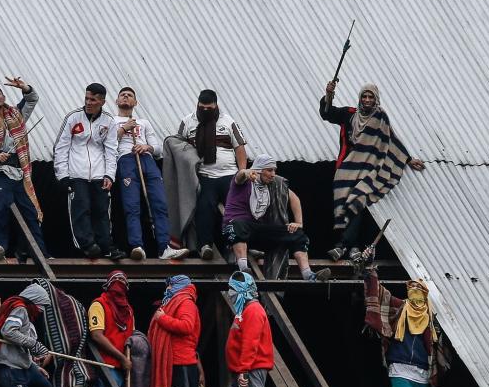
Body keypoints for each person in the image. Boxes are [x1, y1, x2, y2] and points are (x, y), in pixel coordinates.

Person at [321, 82, 424, 261]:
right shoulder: (349, 114)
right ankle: (354, 247)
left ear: (376, 99)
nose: (367, 100)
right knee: (345, 202)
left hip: (368, 168)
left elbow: (391, 139)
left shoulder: (380, 117)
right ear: (360, 98)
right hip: (346, 168)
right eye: (364, 96)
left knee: (358, 199)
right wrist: (328, 95)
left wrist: (407, 159)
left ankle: (343, 245)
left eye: (371, 97)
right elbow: (327, 114)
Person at [0, 77, 48, 261]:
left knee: (30, 212)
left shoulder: (16, 114)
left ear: (4, 96)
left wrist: (25, 87)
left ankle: (39, 252)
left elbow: (32, 99)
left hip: (20, 172)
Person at [363, 256, 445, 387]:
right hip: (399, 369)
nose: (415, 301)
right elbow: (380, 295)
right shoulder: (400, 309)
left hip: (423, 373)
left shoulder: (431, 319)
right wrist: (371, 273)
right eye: (412, 295)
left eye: (419, 296)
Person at [222, 154, 331, 281]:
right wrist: (247, 173)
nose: (273, 174)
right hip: (235, 230)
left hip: (257, 232)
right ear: (259, 170)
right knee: (238, 225)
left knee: (297, 234)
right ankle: (244, 270)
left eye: (274, 170)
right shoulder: (243, 182)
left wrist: (298, 223)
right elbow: (240, 175)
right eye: (269, 170)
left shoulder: (272, 185)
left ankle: (308, 275)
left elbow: (294, 198)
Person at [112, 88, 186, 261]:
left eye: (130, 95)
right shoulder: (111, 121)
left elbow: (158, 148)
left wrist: (147, 147)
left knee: (159, 204)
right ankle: (137, 245)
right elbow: (106, 143)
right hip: (126, 159)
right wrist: (124, 129)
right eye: (123, 94)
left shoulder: (144, 122)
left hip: (147, 160)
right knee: (132, 205)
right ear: (116, 101)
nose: (126, 97)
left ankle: (164, 247)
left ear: (135, 103)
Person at [53, 83, 125, 260]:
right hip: (76, 174)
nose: (88, 102)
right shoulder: (73, 118)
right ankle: (87, 245)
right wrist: (62, 175)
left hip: (100, 175)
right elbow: (60, 148)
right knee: (81, 208)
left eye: (93, 99)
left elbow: (111, 150)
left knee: (102, 210)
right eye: (86, 98)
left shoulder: (108, 121)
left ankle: (106, 246)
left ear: (102, 101)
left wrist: (109, 175)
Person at [177, 89, 248, 260]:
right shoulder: (188, 121)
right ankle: (205, 245)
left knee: (237, 213)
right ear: (198, 105)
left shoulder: (227, 121)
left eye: (209, 108)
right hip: (204, 175)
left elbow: (239, 147)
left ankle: (237, 246)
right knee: (204, 209)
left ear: (216, 105)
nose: (205, 110)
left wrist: (242, 172)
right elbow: (178, 147)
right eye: (202, 107)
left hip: (230, 175)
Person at [148, 275, 203, 387]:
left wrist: (162, 319)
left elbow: (187, 326)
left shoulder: (186, 302)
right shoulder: (175, 302)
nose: (168, 288)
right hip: (174, 364)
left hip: (182, 363)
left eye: (171, 285)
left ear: (180, 285)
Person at [224, 272, 273, 387]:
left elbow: (250, 343)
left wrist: (244, 371)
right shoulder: (243, 311)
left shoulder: (253, 311)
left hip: (251, 370)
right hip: (241, 370)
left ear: (241, 290)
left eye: (232, 288)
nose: (229, 293)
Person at [88, 271, 134, 387]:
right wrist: (122, 358)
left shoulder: (128, 310)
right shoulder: (98, 305)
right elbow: (96, 335)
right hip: (106, 367)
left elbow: (130, 337)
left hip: (123, 369)